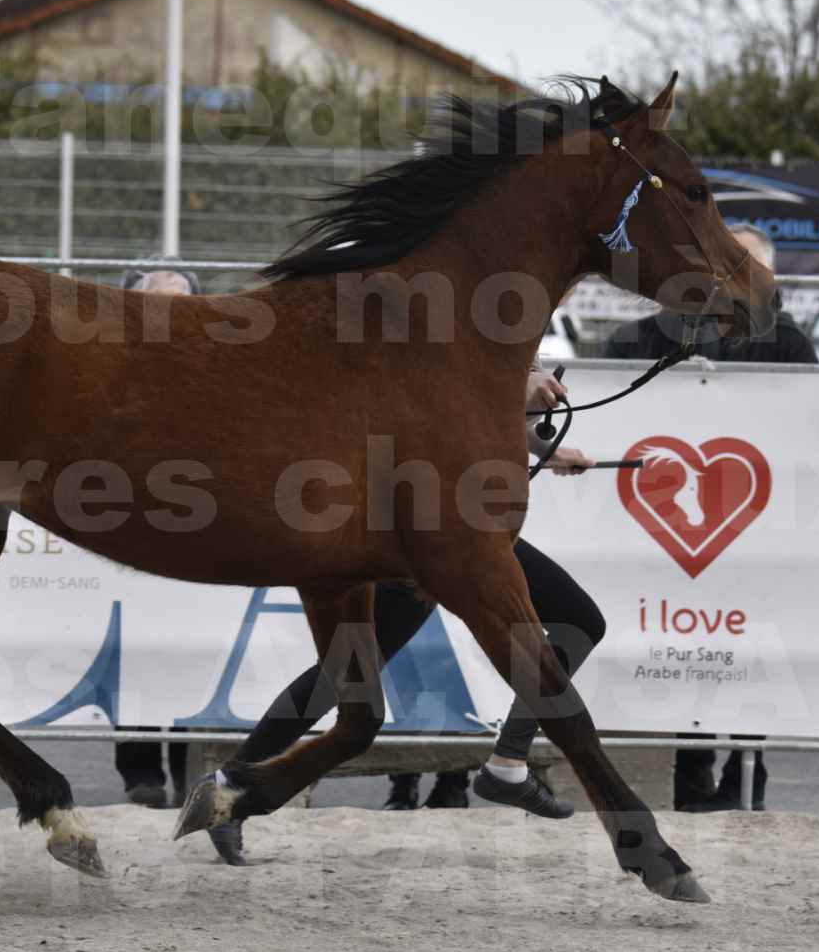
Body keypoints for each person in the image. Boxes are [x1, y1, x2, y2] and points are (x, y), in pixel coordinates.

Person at [206, 363, 607, 865]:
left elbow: (467, 418)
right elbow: (429, 399)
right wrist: (513, 384)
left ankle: (508, 761)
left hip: (452, 526)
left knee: (577, 621)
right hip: (416, 531)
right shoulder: (443, 310)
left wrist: (544, 450)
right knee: (345, 675)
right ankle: (230, 789)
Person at [604, 223, 817, 812]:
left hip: (760, 526)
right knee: (683, 645)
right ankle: (694, 766)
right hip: (673, 532)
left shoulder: (791, 345)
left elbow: (816, 425)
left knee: (753, 646)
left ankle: (748, 770)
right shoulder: (637, 341)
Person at [113, 261, 203, 807]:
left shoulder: (214, 368)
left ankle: (193, 763)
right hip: (136, 532)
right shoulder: (119, 367)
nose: (168, 313)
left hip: (196, 532)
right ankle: (141, 773)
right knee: (137, 651)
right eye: (157, 301)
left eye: (180, 301)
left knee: (195, 650)